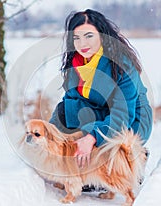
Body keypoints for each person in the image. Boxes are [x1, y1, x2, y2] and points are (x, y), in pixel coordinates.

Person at [50, 9, 153, 173]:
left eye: (89, 36)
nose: (82, 44)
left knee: (96, 142)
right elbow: (69, 102)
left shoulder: (121, 65)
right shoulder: (75, 64)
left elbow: (123, 116)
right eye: (76, 38)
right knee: (63, 112)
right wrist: (51, 137)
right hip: (97, 113)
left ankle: (133, 159)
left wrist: (92, 136)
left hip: (131, 119)